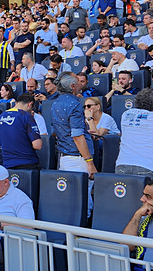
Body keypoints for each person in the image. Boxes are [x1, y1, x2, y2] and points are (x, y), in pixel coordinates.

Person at [50, 73, 96, 212]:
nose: (81, 83)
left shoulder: (55, 103)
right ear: (72, 86)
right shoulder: (74, 104)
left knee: (70, 203)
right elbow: (77, 137)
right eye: (78, 81)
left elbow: (55, 131)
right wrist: (90, 163)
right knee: (83, 204)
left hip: (64, 158)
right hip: (78, 159)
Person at [0, 94, 42, 169]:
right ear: (30, 104)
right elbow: (37, 145)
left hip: (7, 164)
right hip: (27, 164)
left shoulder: (1, 116)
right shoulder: (26, 116)